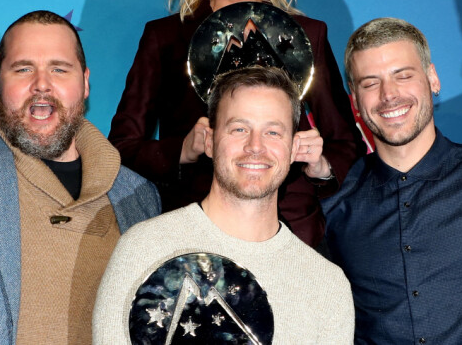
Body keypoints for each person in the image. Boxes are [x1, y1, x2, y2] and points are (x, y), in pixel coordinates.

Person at [108, 0, 365, 247]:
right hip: (192, 232)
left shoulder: (307, 33)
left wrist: (319, 162)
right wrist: (183, 149)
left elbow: (348, 145)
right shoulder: (164, 37)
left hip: (288, 231)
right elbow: (121, 146)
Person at [0, 10, 161, 345]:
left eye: (59, 69)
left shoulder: (140, 197)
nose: (42, 85)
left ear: (86, 82)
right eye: (23, 69)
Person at [94, 66, 355, 344]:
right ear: (209, 141)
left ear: (294, 149)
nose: (255, 146)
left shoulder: (326, 284)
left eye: (273, 132)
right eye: (239, 128)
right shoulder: (143, 248)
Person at [321, 17, 462, 344]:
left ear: (432, 78)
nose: (389, 95)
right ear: (355, 103)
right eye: (370, 83)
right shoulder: (336, 206)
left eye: (403, 76)